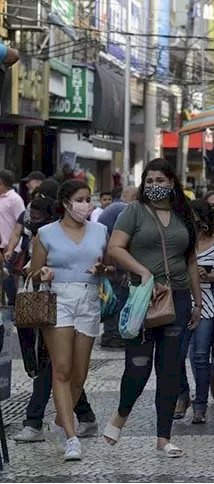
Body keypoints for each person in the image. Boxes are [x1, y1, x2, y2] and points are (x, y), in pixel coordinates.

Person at [103, 158, 202, 458]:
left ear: (172, 183)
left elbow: (191, 261)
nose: (154, 186)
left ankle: (163, 437)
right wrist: (143, 272)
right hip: (143, 298)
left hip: (179, 297)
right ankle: (121, 413)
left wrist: (197, 301)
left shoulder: (185, 215)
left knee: (171, 368)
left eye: (160, 180)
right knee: (138, 366)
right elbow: (115, 248)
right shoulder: (134, 211)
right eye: (150, 181)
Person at [29, 180, 110, 461]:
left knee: (80, 373)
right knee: (61, 369)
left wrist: (104, 268)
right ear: (66, 203)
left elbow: (109, 267)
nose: (86, 204)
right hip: (58, 299)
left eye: (89, 199)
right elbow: (34, 271)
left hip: (89, 298)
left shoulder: (101, 231)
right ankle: (71, 437)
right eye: (80, 199)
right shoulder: (46, 233)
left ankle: (61, 417)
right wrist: (43, 275)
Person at [14, 195, 99, 444]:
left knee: (53, 367)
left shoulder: (63, 235)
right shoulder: (44, 234)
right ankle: (82, 416)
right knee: (56, 367)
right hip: (45, 306)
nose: (33, 218)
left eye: (38, 213)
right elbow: (34, 270)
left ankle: (35, 421)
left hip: (61, 305)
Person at [175, 200, 214, 423]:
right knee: (176, 356)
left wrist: (211, 276)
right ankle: (182, 395)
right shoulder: (180, 244)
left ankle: (200, 404)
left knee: (200, 356)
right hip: (181, 302)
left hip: (208, 304)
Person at [97, 186, 138, 348]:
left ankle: (110, 333)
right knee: (118, 299)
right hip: (115, 263)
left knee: (112, 298)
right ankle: (114, 335)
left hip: (108, 260)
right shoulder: (124, 209)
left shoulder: (113, 208)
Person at [0, 169, 26, 304]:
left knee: (7, 277)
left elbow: (21, 222)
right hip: (1, 246)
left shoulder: (15, 199)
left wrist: (12, 246)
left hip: (10, 247)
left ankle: (14, 305)